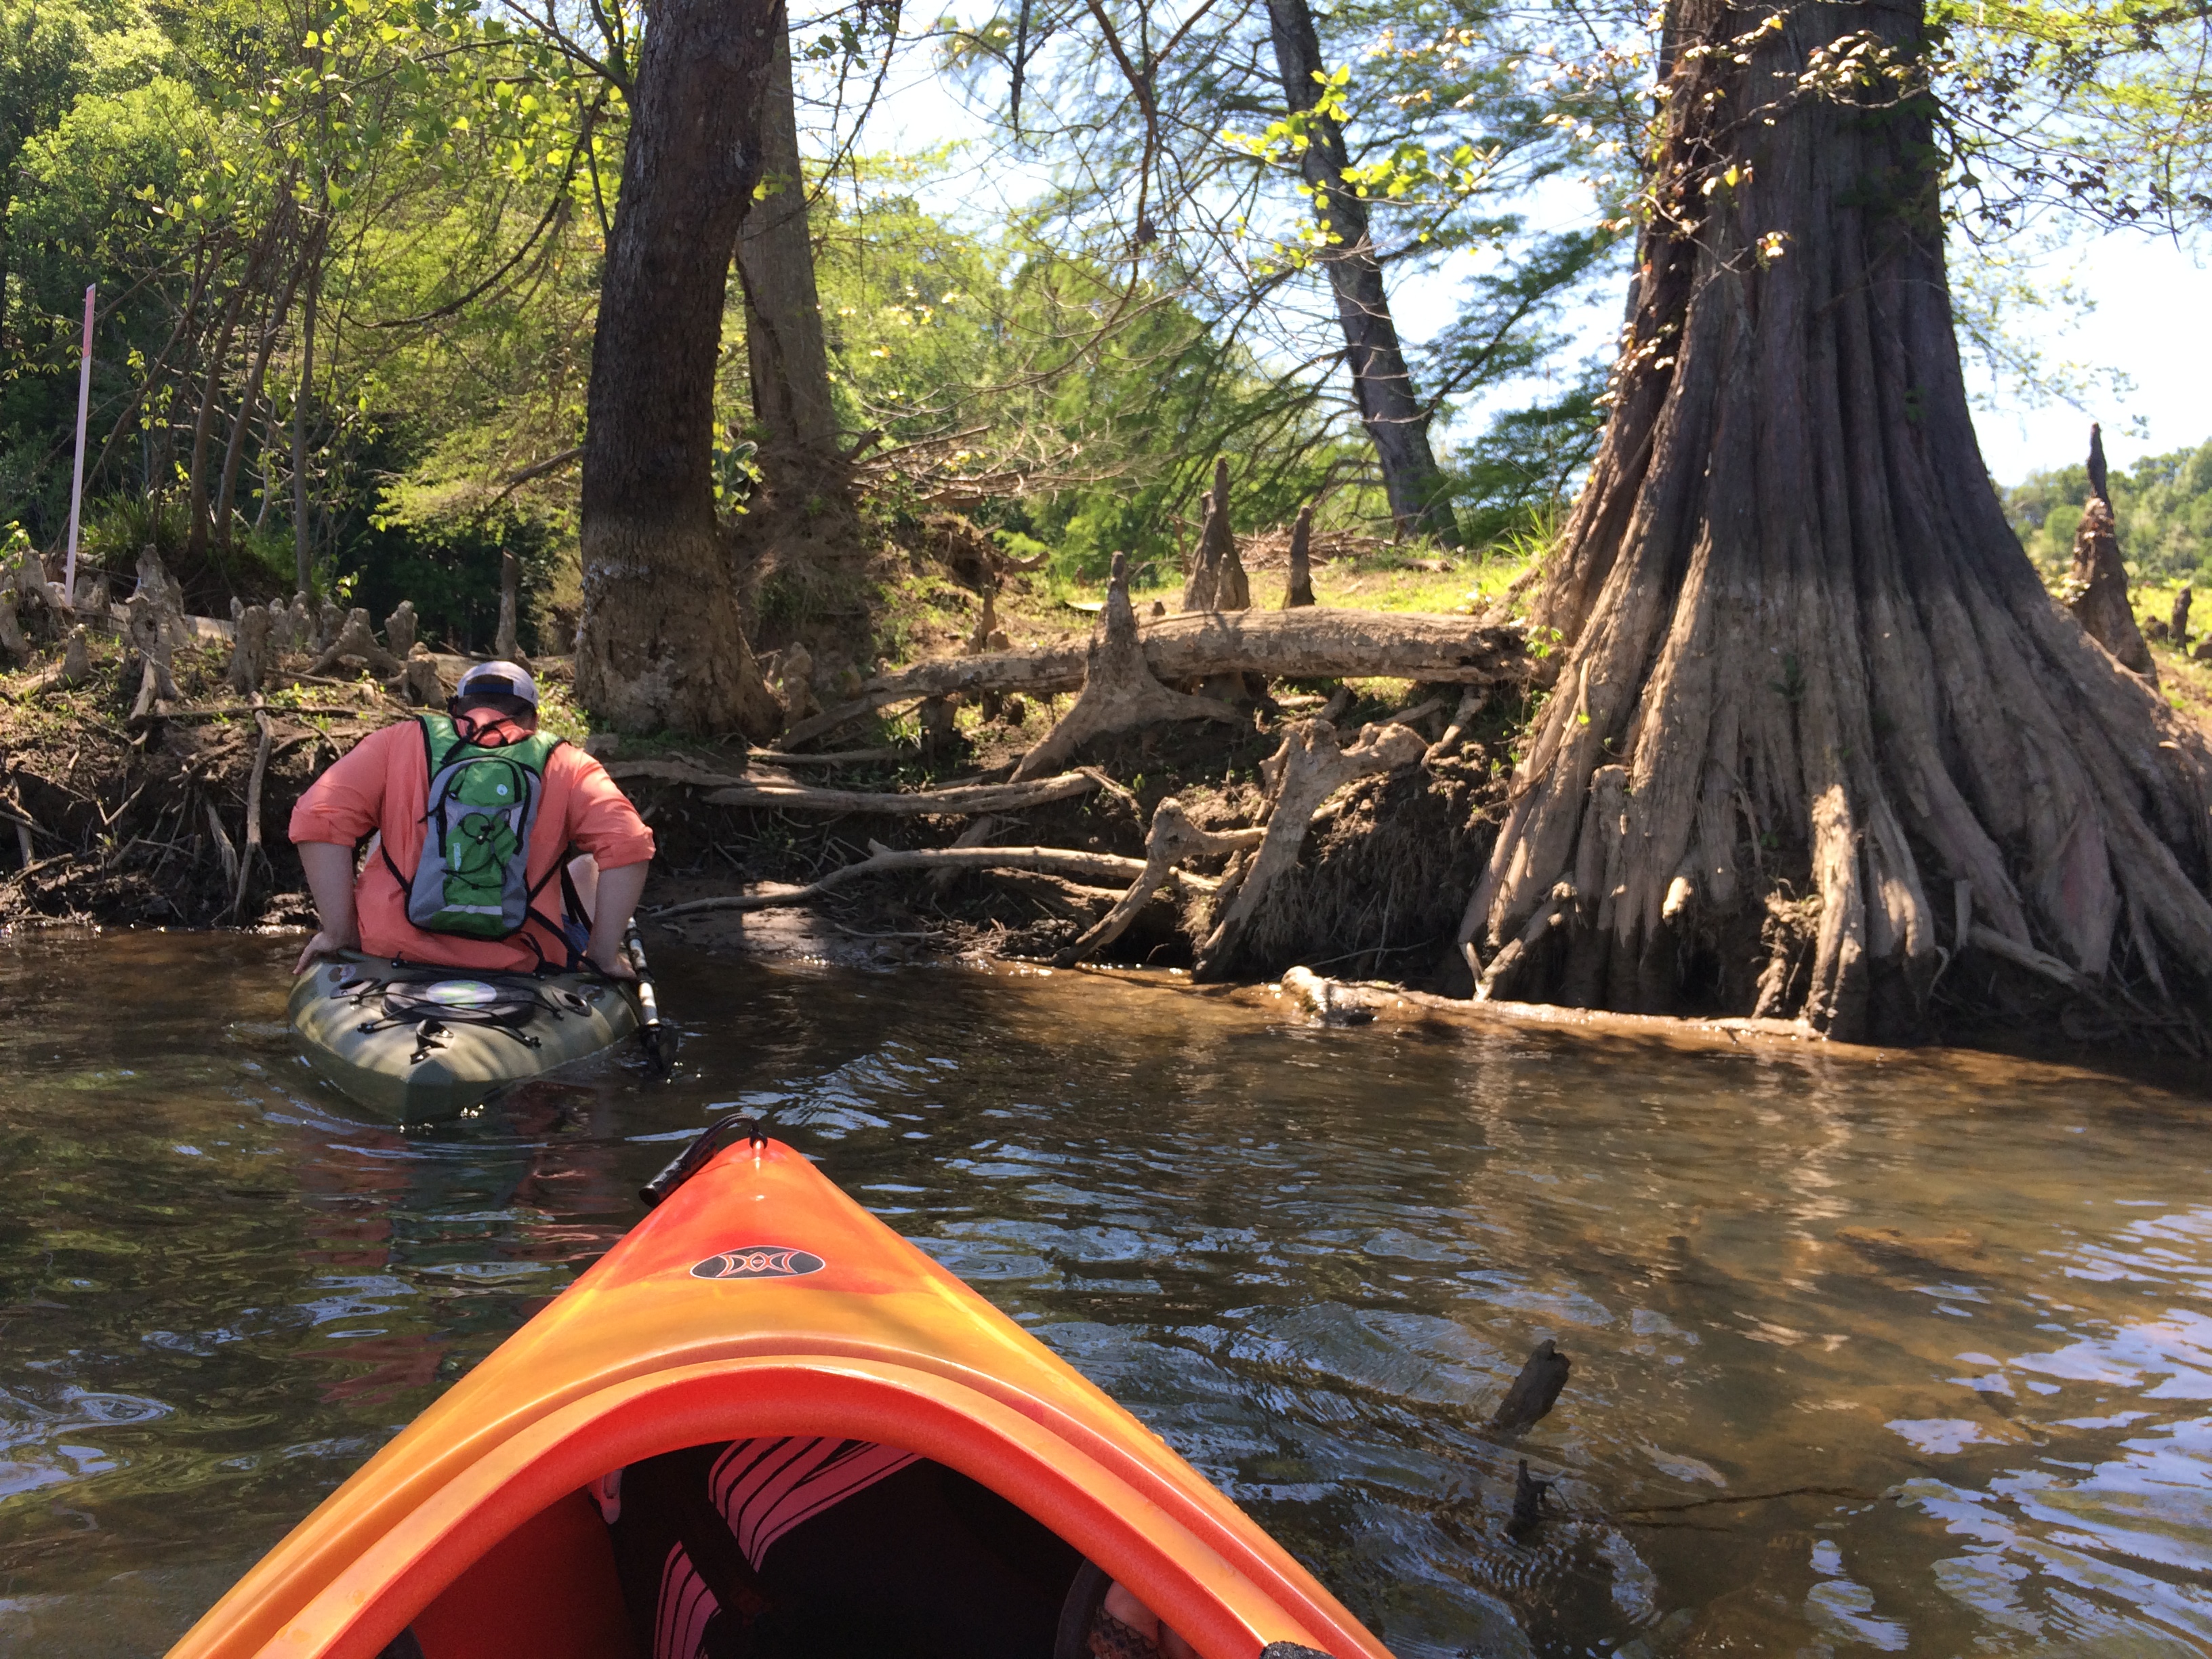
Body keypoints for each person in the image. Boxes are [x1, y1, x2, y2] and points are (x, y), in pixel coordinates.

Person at [288, 660, 653, 979]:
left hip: (390, 952)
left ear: (457, 711)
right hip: (527, 961)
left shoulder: (397, 742)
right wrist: (602, 957)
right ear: (534, 720)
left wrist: (339, 934)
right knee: (588, 867)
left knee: (382, 842)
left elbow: (316, 814)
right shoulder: (568, 764)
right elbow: (631, 843)